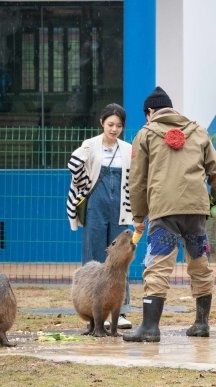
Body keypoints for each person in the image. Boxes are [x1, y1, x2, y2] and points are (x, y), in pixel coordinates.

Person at [124, 86, 216, 342]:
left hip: (164, 211)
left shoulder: (145, 134)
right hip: (196, 211)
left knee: (158, 266)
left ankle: (150, 327)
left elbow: (137, 180)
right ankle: (201, 324)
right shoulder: (198, 132)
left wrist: (138, 215)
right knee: (200, 265)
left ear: (150, 112)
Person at [66, 103, 133, 329]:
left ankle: (119, 311)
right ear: (102, 123)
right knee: (93, 258)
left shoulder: (127, 149)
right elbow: (74, 167)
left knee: (121, 259)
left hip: (120, 209)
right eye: (110, 124)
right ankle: (92, 315)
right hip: (95, 206)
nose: (114, 129)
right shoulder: (90, 145)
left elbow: (134, 179)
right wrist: (82, 178)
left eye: (119, 126)